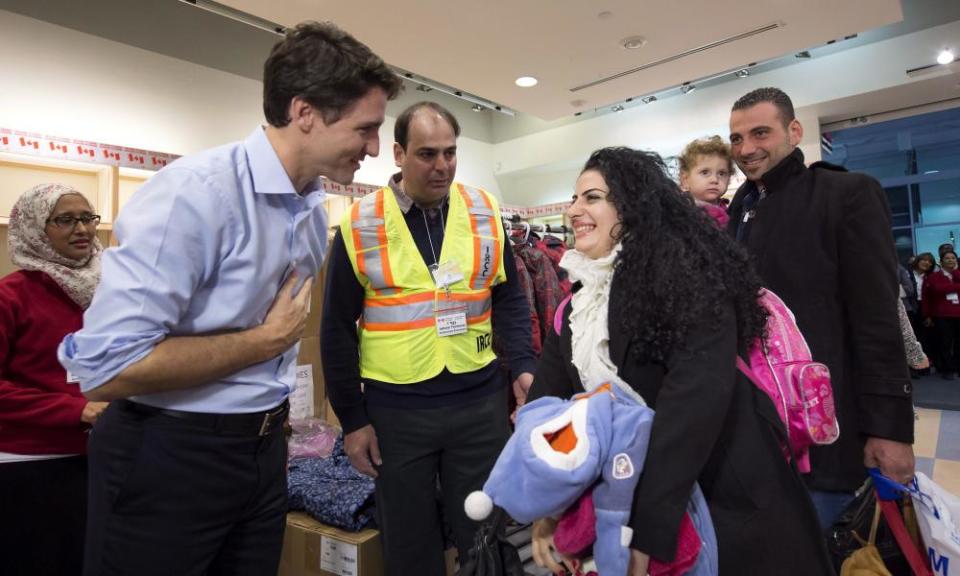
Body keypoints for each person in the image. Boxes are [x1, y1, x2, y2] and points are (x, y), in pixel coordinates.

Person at [57, 22, 402, 576]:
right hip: (169, 457)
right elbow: (106, 369)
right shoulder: (194, 195)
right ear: (305, 112)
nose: (374, 148)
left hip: (264, 453)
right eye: (366, 128)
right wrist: (261, 342)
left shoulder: (311, 208)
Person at [529, 147, 833, 575]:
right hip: (632, 504)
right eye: (575, 198)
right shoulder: (575, 308)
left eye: (592, 197)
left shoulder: (686, 282)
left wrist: (648, 529)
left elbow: (693, 405)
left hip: (730, 501)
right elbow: (550, 411)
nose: (575, 209)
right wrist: (548, 506)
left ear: (633, 206)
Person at [321, 101, 536, 575]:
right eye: (427, 154)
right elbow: (335, 328)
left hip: (479, 403)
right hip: (397, 412)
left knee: (487, 531)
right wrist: (352, 419)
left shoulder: (484, 210)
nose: (441, 166)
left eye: (450, 153)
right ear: (398, 154)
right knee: (410, 540)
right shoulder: (361, 222)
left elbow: (510, 298)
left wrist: (523, 364)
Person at [726, 87, 914, 528]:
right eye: (736, 138)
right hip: (756, 436)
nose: (746, 148)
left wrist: (890, 428)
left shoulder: (844, 193)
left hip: (828, 432)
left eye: (760, 133)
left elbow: (877, 320)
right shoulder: (739, 212)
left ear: (794, 131)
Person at [0, 184, 107, 576]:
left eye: (87, 218)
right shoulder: (10, 296)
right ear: (34, 228)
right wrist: (77, 410)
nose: (81, 229)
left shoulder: (112, 292)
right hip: (30, 465)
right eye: (65, 220)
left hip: (102, 458)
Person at [678, 135, 734, 228]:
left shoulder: (730, 208)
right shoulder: (684, 213)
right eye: (705, 172)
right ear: (685, 179)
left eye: (721, 173)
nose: (715, 180)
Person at [922, 251, 960, 380]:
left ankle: (956, 367)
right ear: (941, 261)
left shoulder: (957, 274)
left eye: (953, 258)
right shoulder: (933, 276)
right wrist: (927, 315)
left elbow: (946, 288)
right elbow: (937, 290)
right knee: (945, 343)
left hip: (958, 313)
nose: (950, 260)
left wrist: (955, 272)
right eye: (947, 258)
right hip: (942, 314)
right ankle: (948, 369)